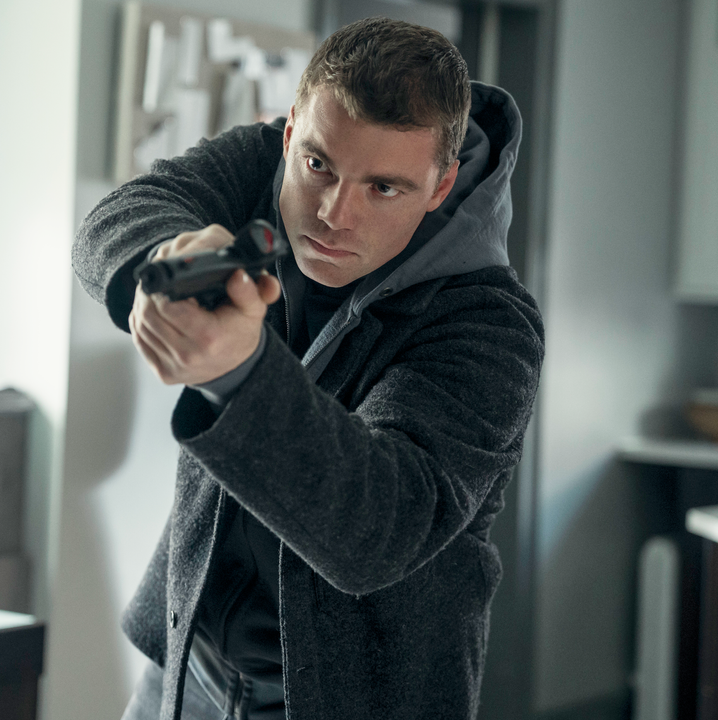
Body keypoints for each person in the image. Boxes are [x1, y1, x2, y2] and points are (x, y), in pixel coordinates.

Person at [73, 16, 544, 720]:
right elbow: (119, 216)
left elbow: (377, 531)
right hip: (188, 665)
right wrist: (162, 263)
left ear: (441, 185)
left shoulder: (489, 325)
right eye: (318, 166)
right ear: (291, 132)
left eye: (384, 188)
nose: (334, 214)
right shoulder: (269, 160)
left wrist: (240, 376)